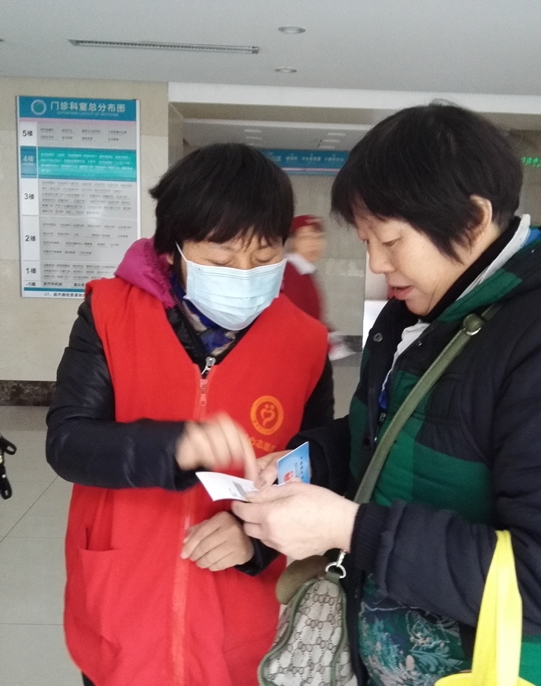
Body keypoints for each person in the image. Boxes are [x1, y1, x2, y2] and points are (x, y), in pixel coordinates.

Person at [234, 104, 541, 686]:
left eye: (390, 240)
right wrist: (309, 459)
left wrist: (350, 529)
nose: (377, 263)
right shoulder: (419, 315)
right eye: (367, 241)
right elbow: (393, 428)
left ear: (473, 217)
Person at [46, 143, 333, 686]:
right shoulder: (109, 312)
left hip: (235, 621)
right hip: (123, 602)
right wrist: (172, 447)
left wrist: (255, 539)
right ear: (175, 245)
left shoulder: (305, 342)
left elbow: (312, 465)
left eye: (264, 256)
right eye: (222, 258)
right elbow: (67, 443)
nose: (244, 272)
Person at [283, 213, 354, 360]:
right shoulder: (289, 273)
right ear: (292, 242)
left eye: (318, 237)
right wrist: (328, 344)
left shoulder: (304, 271)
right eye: (306, 237)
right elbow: (296, 322)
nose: (314, 243)